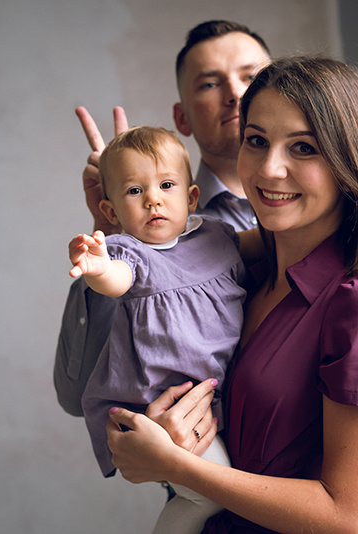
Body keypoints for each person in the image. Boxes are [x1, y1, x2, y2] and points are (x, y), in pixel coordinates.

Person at [54, 20, 358, 533]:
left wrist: (179, 467)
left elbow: (349, 513)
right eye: (256, 140)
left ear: (348, 160)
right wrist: (120, 227)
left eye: (304, 147)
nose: (269, 170)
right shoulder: (232, 254)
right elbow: (121, 363)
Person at [68, 125, 260, 533]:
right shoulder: (130, 253)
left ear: (191, 198)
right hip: (165, 403)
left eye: (166, 185)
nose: (153, 198)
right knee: (205, 494)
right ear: (112, 212)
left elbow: (266, 248)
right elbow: (117, 279)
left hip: (215, 392)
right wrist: (98, 267)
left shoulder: (216, 236)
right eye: (135, 191)